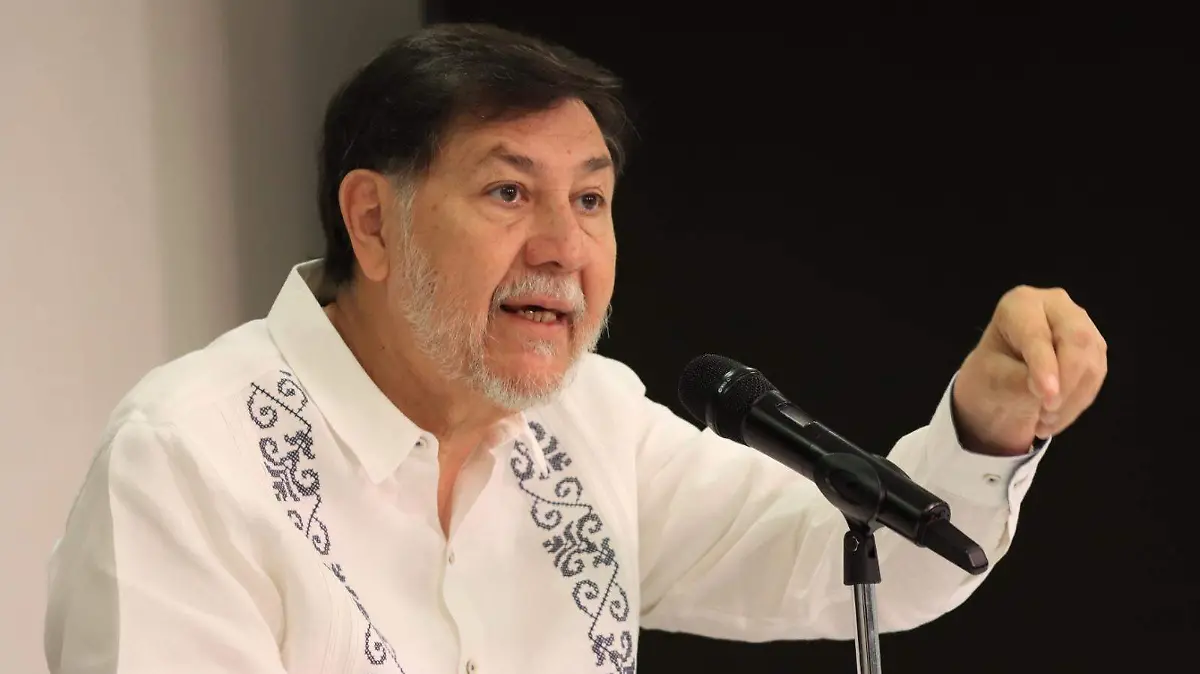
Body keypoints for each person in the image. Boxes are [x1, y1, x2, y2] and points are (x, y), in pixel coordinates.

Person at [44, 23, 1108, 674]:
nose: (564, 247)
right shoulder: (189, 459)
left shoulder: (590, 418)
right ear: (372, 222)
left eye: (590, 200)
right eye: (509, 192)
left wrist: (986, 426)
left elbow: (859, 563)